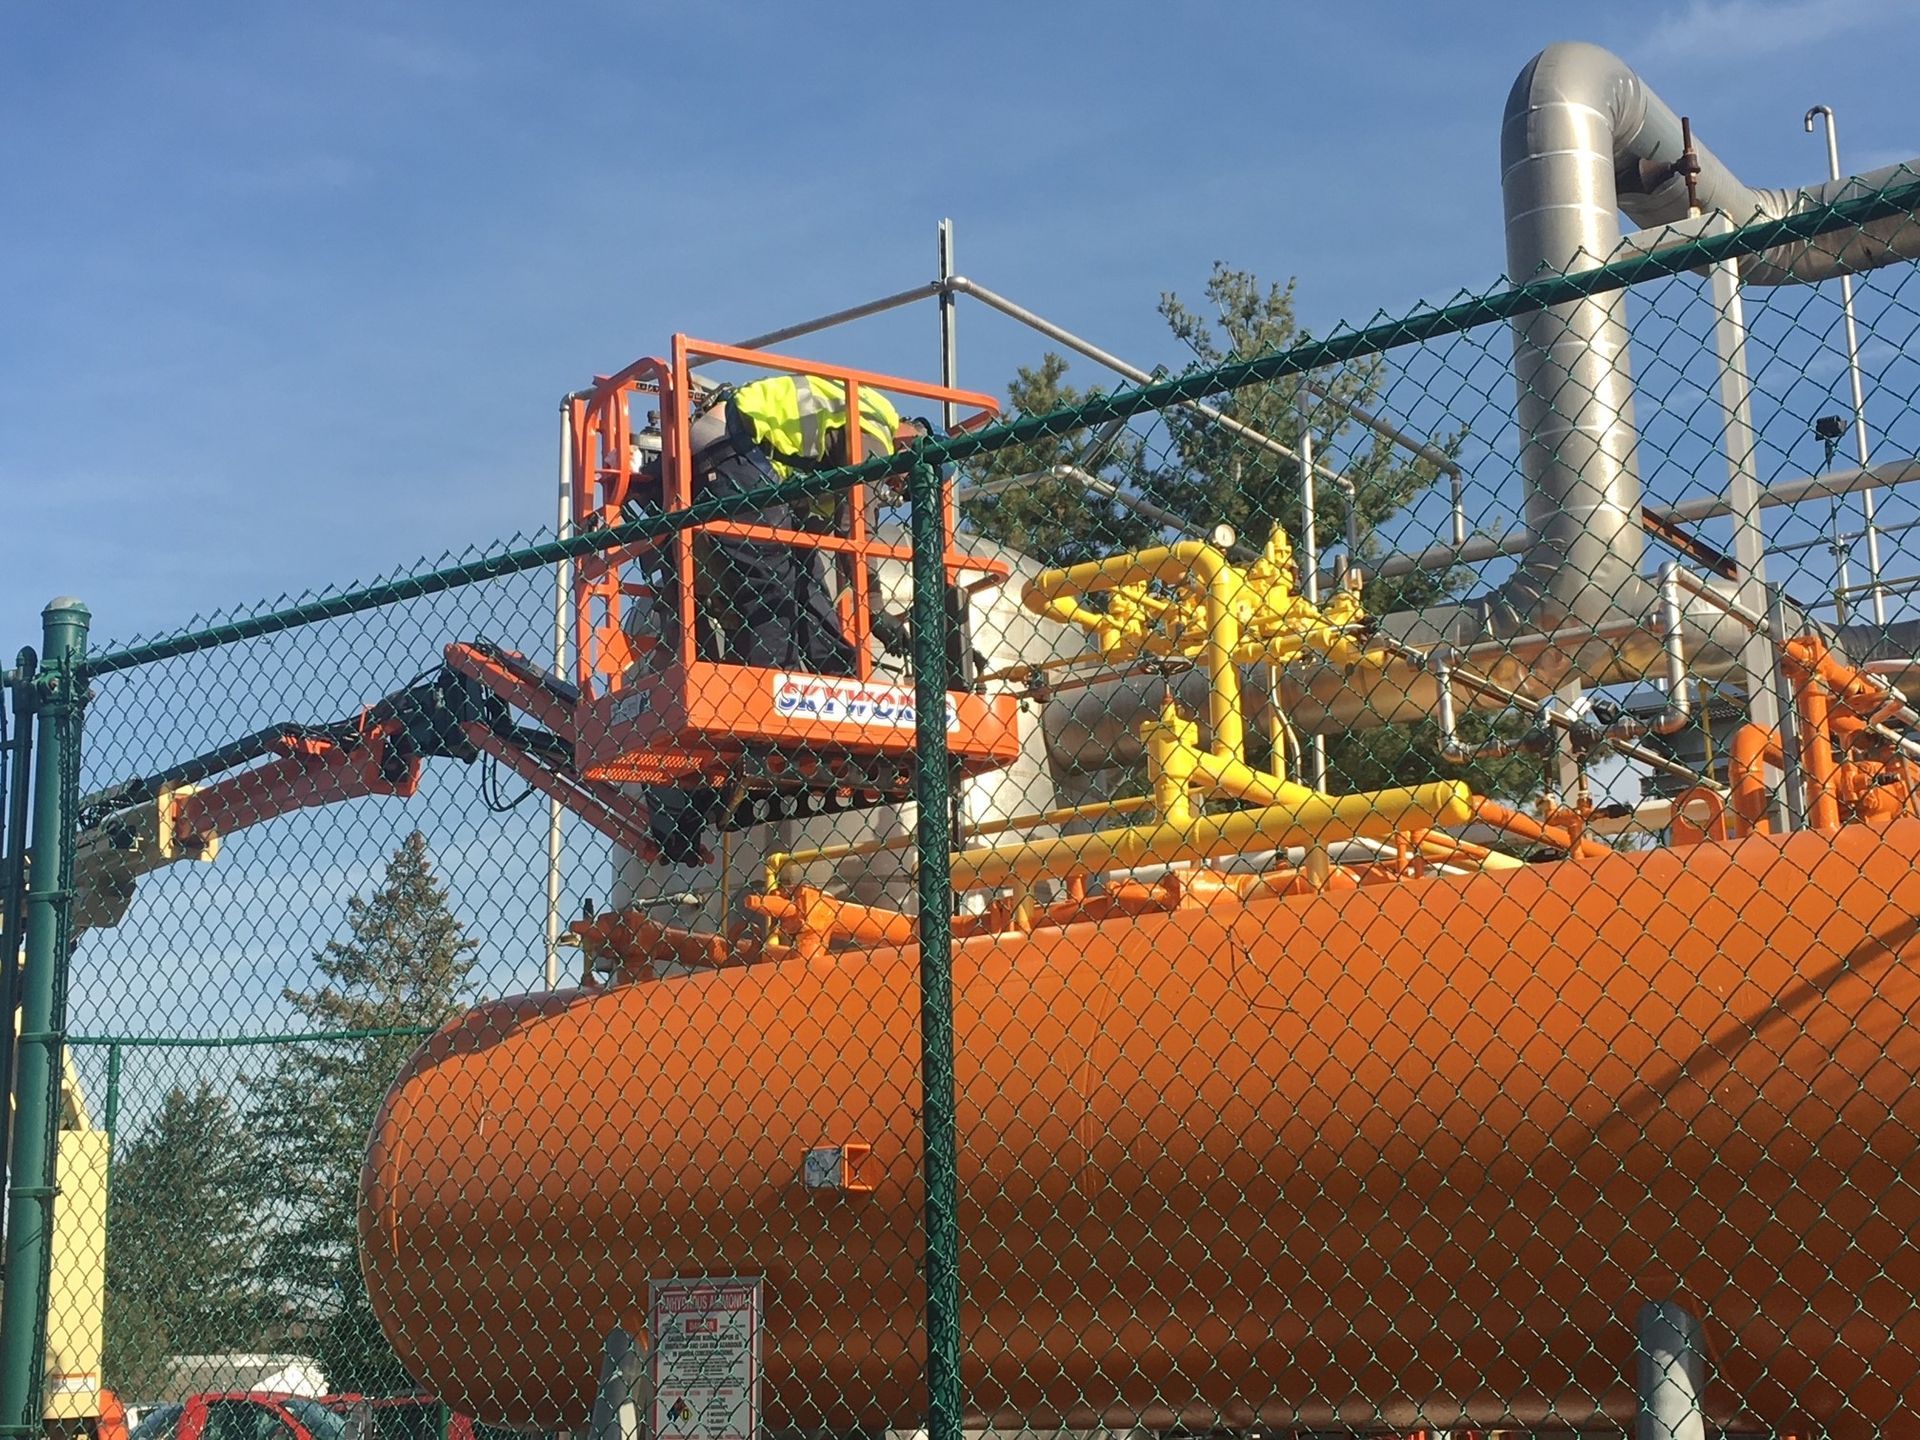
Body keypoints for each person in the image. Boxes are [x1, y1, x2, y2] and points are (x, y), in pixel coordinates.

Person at [640, 373, 909, 862]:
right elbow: (856, 531)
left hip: (741, 455)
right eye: (902, 478)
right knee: (769, 590)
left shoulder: (833, 432)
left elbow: (824, 553)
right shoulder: (874, 424)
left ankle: (837, 680)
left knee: (799, 575)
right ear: (908, 444)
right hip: (731, 448)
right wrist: (877, 614)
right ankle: (758, 714)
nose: (895, 486)